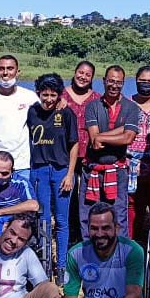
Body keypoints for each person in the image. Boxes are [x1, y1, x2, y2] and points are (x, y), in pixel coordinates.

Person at [27, 73, 78, 281]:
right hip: (39, 170)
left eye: (53, 95)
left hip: (60, 171)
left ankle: (62, 267)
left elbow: (74, 144)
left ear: (59, 95)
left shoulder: (66, 113)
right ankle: (44, 264)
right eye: (44, 94)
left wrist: (70, 174)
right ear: (39, 93)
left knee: (62, 222)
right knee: (43, 220)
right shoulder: (32, 111)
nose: (48, 99)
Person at [81, 65, 140, 234]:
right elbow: (95, 142)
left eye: (118, 82)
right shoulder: (92, 106)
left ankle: (120, 257)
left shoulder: (131, 107)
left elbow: (128, 138)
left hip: (118, 170)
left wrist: (101, 136)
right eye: (111, 81)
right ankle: (88, 256)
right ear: (104, 81)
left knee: (118, 216)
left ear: (123, 83)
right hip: (92, 170)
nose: (114, 86)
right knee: (88, 216)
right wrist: (119, 131)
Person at [0, 55, 39, 181]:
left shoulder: (30, 97)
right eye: (1, 69)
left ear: (17, 72)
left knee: (25, 200)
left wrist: (60, 101)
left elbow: (46, 117)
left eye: (10, 68)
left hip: (23, 166)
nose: (5, 73)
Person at [61, 61, 101, 243]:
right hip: (64, 152)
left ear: (92, 78)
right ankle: (68, 233)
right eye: (80, 72)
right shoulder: (61, 95)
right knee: (67, 195)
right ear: (74, 72)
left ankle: (86, 234)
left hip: (89, 154)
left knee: (87, 196)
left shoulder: (97, 99)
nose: (83, 77)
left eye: (88, 75)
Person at [126, 66, 150, 242]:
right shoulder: (126, 103)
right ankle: (132, 247)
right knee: (132, 209)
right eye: (142, 81)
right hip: (131, 167)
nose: (146, 84)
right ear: (135, 80)